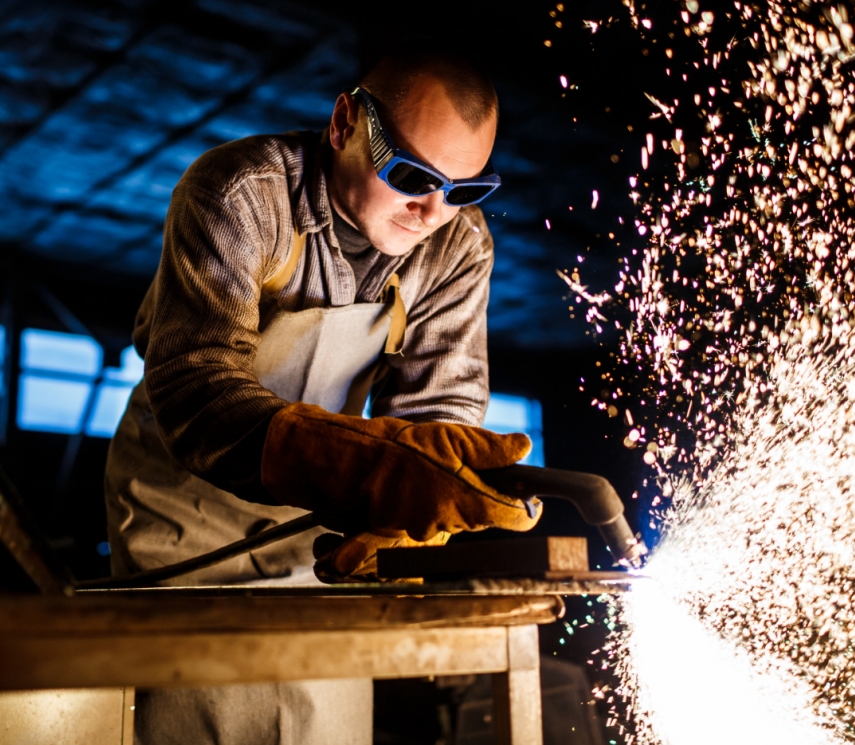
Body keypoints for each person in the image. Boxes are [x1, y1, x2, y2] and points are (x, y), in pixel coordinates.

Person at [104, 46, 542, 745]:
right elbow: (199, 393)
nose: (432, 211)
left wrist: (405, 515)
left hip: (317, 527)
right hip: (184, 514)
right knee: (195, 717)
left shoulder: (456, 245)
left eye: (463, 190)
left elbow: (438, 416)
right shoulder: (240, 193)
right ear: (344, 124)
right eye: (411, 175)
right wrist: (369, 470)